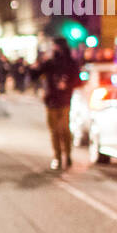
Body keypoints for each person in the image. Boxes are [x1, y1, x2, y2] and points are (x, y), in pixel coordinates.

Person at [31, 36, 80, 170]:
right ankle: (60, 157)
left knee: (61, 130)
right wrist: (35, 67)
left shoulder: (65, 62)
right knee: (58, 130)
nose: (53, 48)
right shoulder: (53, 62)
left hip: (60, 100)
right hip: (55, 100)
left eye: (54, 46)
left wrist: (67, 84)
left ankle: (64, 156)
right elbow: (35, 75)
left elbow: (77, 80)